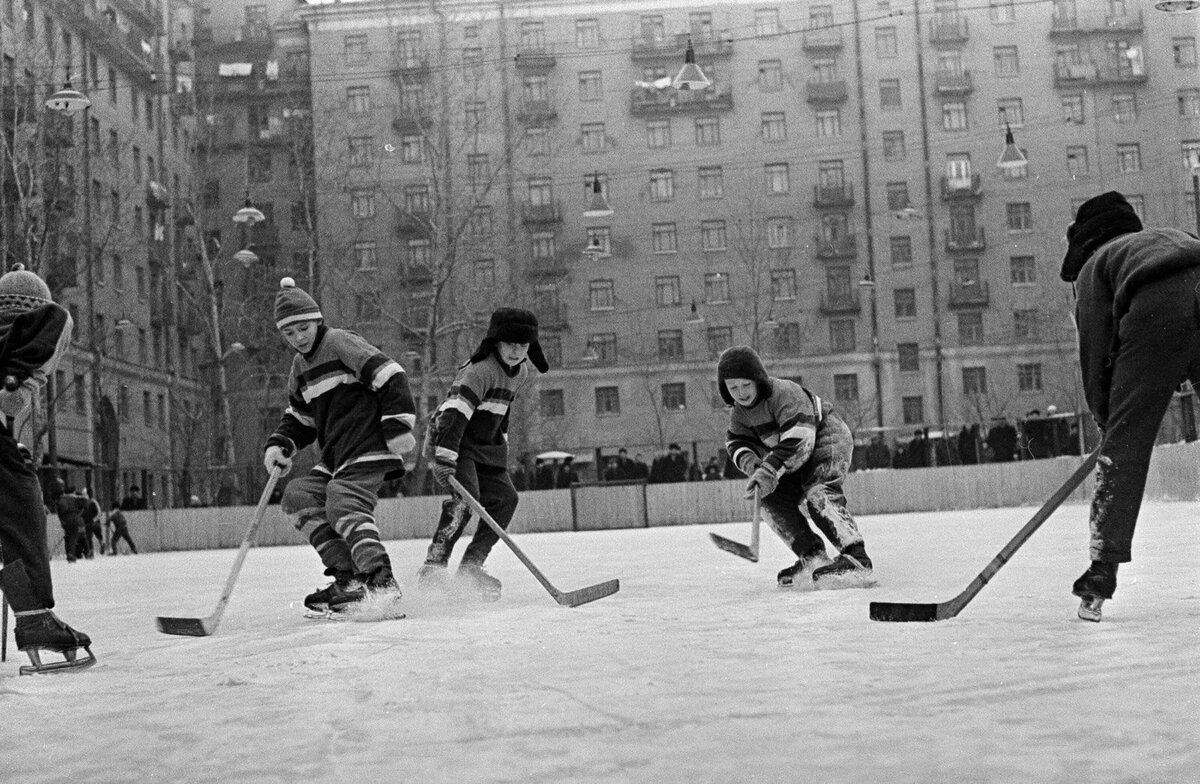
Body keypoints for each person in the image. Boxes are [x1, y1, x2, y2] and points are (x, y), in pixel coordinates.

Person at [1060, 191, 1200, 620]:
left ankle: (1101, 571)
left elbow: (1094, 355)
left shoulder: (1093, 267)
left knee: (1126, 447)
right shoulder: (1168, 237)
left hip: (1158, 309)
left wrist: (1109, 422)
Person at [262, 278, 416, 616]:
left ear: (317, 320)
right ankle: (348, 578)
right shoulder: (299, 368)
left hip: (369, 444)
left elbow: (391, 374)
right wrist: (281, 444)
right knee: (298, 496)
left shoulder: (339, 342)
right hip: (337, 455)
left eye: (303, 328)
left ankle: (379, 579)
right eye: (290, 333)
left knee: (343, 501)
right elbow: (301, 418)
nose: (299, 337)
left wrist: (398, 424)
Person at [0, 263, 94, 673]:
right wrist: (20, 376)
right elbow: (54, 320)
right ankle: (35, 617)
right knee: (22, 505)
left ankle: (34, 614)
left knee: (18, 494)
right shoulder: (44, 325)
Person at [717, 345, 873, 587]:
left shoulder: (784, 393)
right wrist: (755, 466)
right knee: (769, 502)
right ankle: (813, 557)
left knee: (819, 493)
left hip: (826, 438)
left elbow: (801, 440)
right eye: (733, 387)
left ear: (758, 379)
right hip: (790, 458)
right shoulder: (739, 415)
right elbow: (736, 443)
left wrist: (769, 470)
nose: (741, 393)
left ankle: (856, 557)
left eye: (746, 384)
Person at [419, 308, 547, 600]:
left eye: (523, 345)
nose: (516, 351)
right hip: (456, 439)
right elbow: (455, 413)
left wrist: (502, 447)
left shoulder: (522, 371)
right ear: (496, 341)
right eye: (510, 344)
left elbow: (502, 411)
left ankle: (470, 567)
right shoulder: (479, 370)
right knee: (466, 500)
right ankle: (434, 565)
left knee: (506, 499)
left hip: (486, 445)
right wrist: (445, 457)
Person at [55, 485, 85, 563]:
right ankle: (71, 553)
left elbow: (59, 511)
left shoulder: (61, 499)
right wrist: (78, 515)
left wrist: (62, 520)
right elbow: (84, 506)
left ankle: (68, 553)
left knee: (67, 536)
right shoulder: (75, 498)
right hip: (74, 518)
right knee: (74, 536)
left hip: (65, 520)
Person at [79, 487, 103, 557]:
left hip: (90, 523)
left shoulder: (88, 502)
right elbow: (99, 512)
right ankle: (101, 543)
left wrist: (93, 520)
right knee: (96, 535)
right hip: (94, 523)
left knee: (89, 537)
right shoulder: (92, 502)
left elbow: (99, 512)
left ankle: (91, 551)